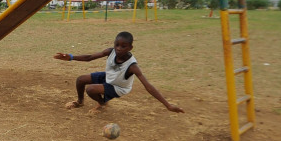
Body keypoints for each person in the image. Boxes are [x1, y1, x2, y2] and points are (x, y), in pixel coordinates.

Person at [54, 31, 184, 114]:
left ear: (130, 47)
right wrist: (70, 57)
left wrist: (168, 105)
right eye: (117, 45)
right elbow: (89, 58)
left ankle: (102, 103)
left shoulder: (132, 66)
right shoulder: (110, 51)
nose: (119, 49)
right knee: (81, 80)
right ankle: (80, 102)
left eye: (123, 46)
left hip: (119, 87)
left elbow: (148, 86)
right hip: (110, 77)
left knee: (91, 89)